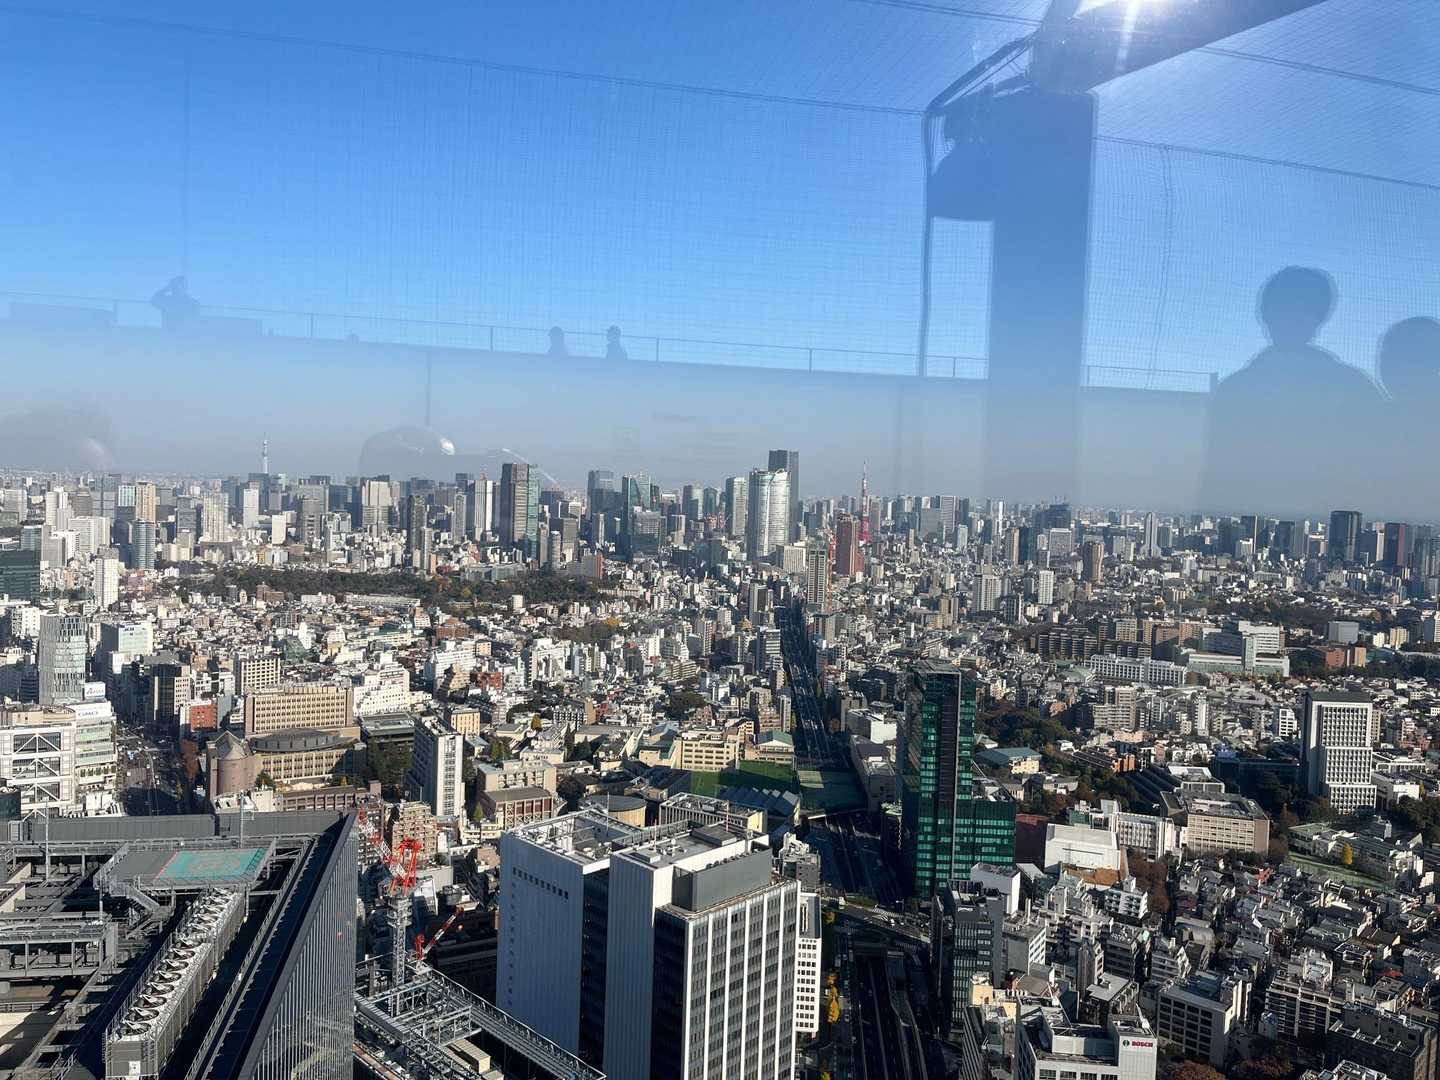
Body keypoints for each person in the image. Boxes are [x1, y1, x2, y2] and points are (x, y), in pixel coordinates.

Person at [1199, 267, 1382, 517]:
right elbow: (1215, 475)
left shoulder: (1235, 389)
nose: (1288, 321)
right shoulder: (1354, 385)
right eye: (1282, 310)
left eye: (1299, 311)